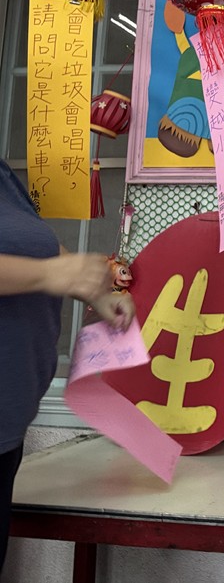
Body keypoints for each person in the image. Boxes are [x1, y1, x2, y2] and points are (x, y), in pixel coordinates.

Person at [0, 158, 136, 572]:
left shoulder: (3, 176)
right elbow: (46, 266)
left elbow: (35, 245)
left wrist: (93, 290)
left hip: (8, 428)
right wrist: (48, 274)